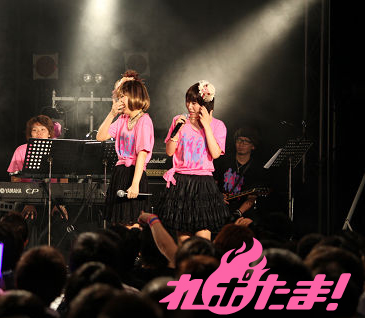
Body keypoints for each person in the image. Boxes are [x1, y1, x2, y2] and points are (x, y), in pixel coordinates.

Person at [157, 80, 229, 242]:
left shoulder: (218, 125)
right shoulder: (179, 120)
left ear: (204, 104)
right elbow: (169, 152)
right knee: (183, 238)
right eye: (188, 102)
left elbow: (215, 153)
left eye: (194, 103)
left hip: (203, 183)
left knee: (203, 237)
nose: (189, 106)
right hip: (181, 182)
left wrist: (207, 126)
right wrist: (176, 131)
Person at [96, 70, 154, 225]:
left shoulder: (144, 120)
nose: (119, 100)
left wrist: (135, 184)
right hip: (120, 172)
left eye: (122, 96)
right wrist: (111, 114)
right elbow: (100, 136)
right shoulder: (122, 119)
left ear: (133, 96)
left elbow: (142, 154)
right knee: (117, 222)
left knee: (132, 222)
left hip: (135, 173)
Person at [214, 126, 270, 225]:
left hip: (241, 211)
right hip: (219, 206)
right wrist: (217, 195)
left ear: (253, 146)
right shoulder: (224, 161)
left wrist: (238, 213)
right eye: (239, 140)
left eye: (246, 141)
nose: (241, 144)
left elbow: (251, 198)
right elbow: (213, 183)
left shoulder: (256, 169)